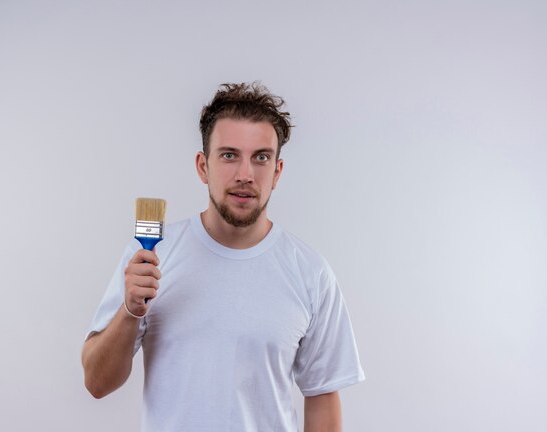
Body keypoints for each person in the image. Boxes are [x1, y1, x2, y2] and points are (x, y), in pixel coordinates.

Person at [82, 82, 365, 431]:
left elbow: (322, 396)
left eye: (260, 157)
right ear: (203, 166)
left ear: (277, 171)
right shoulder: (151, 256)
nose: (245, 175)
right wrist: (130, 311)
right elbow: (96, 383)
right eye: (229, 155)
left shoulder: (311, 273)